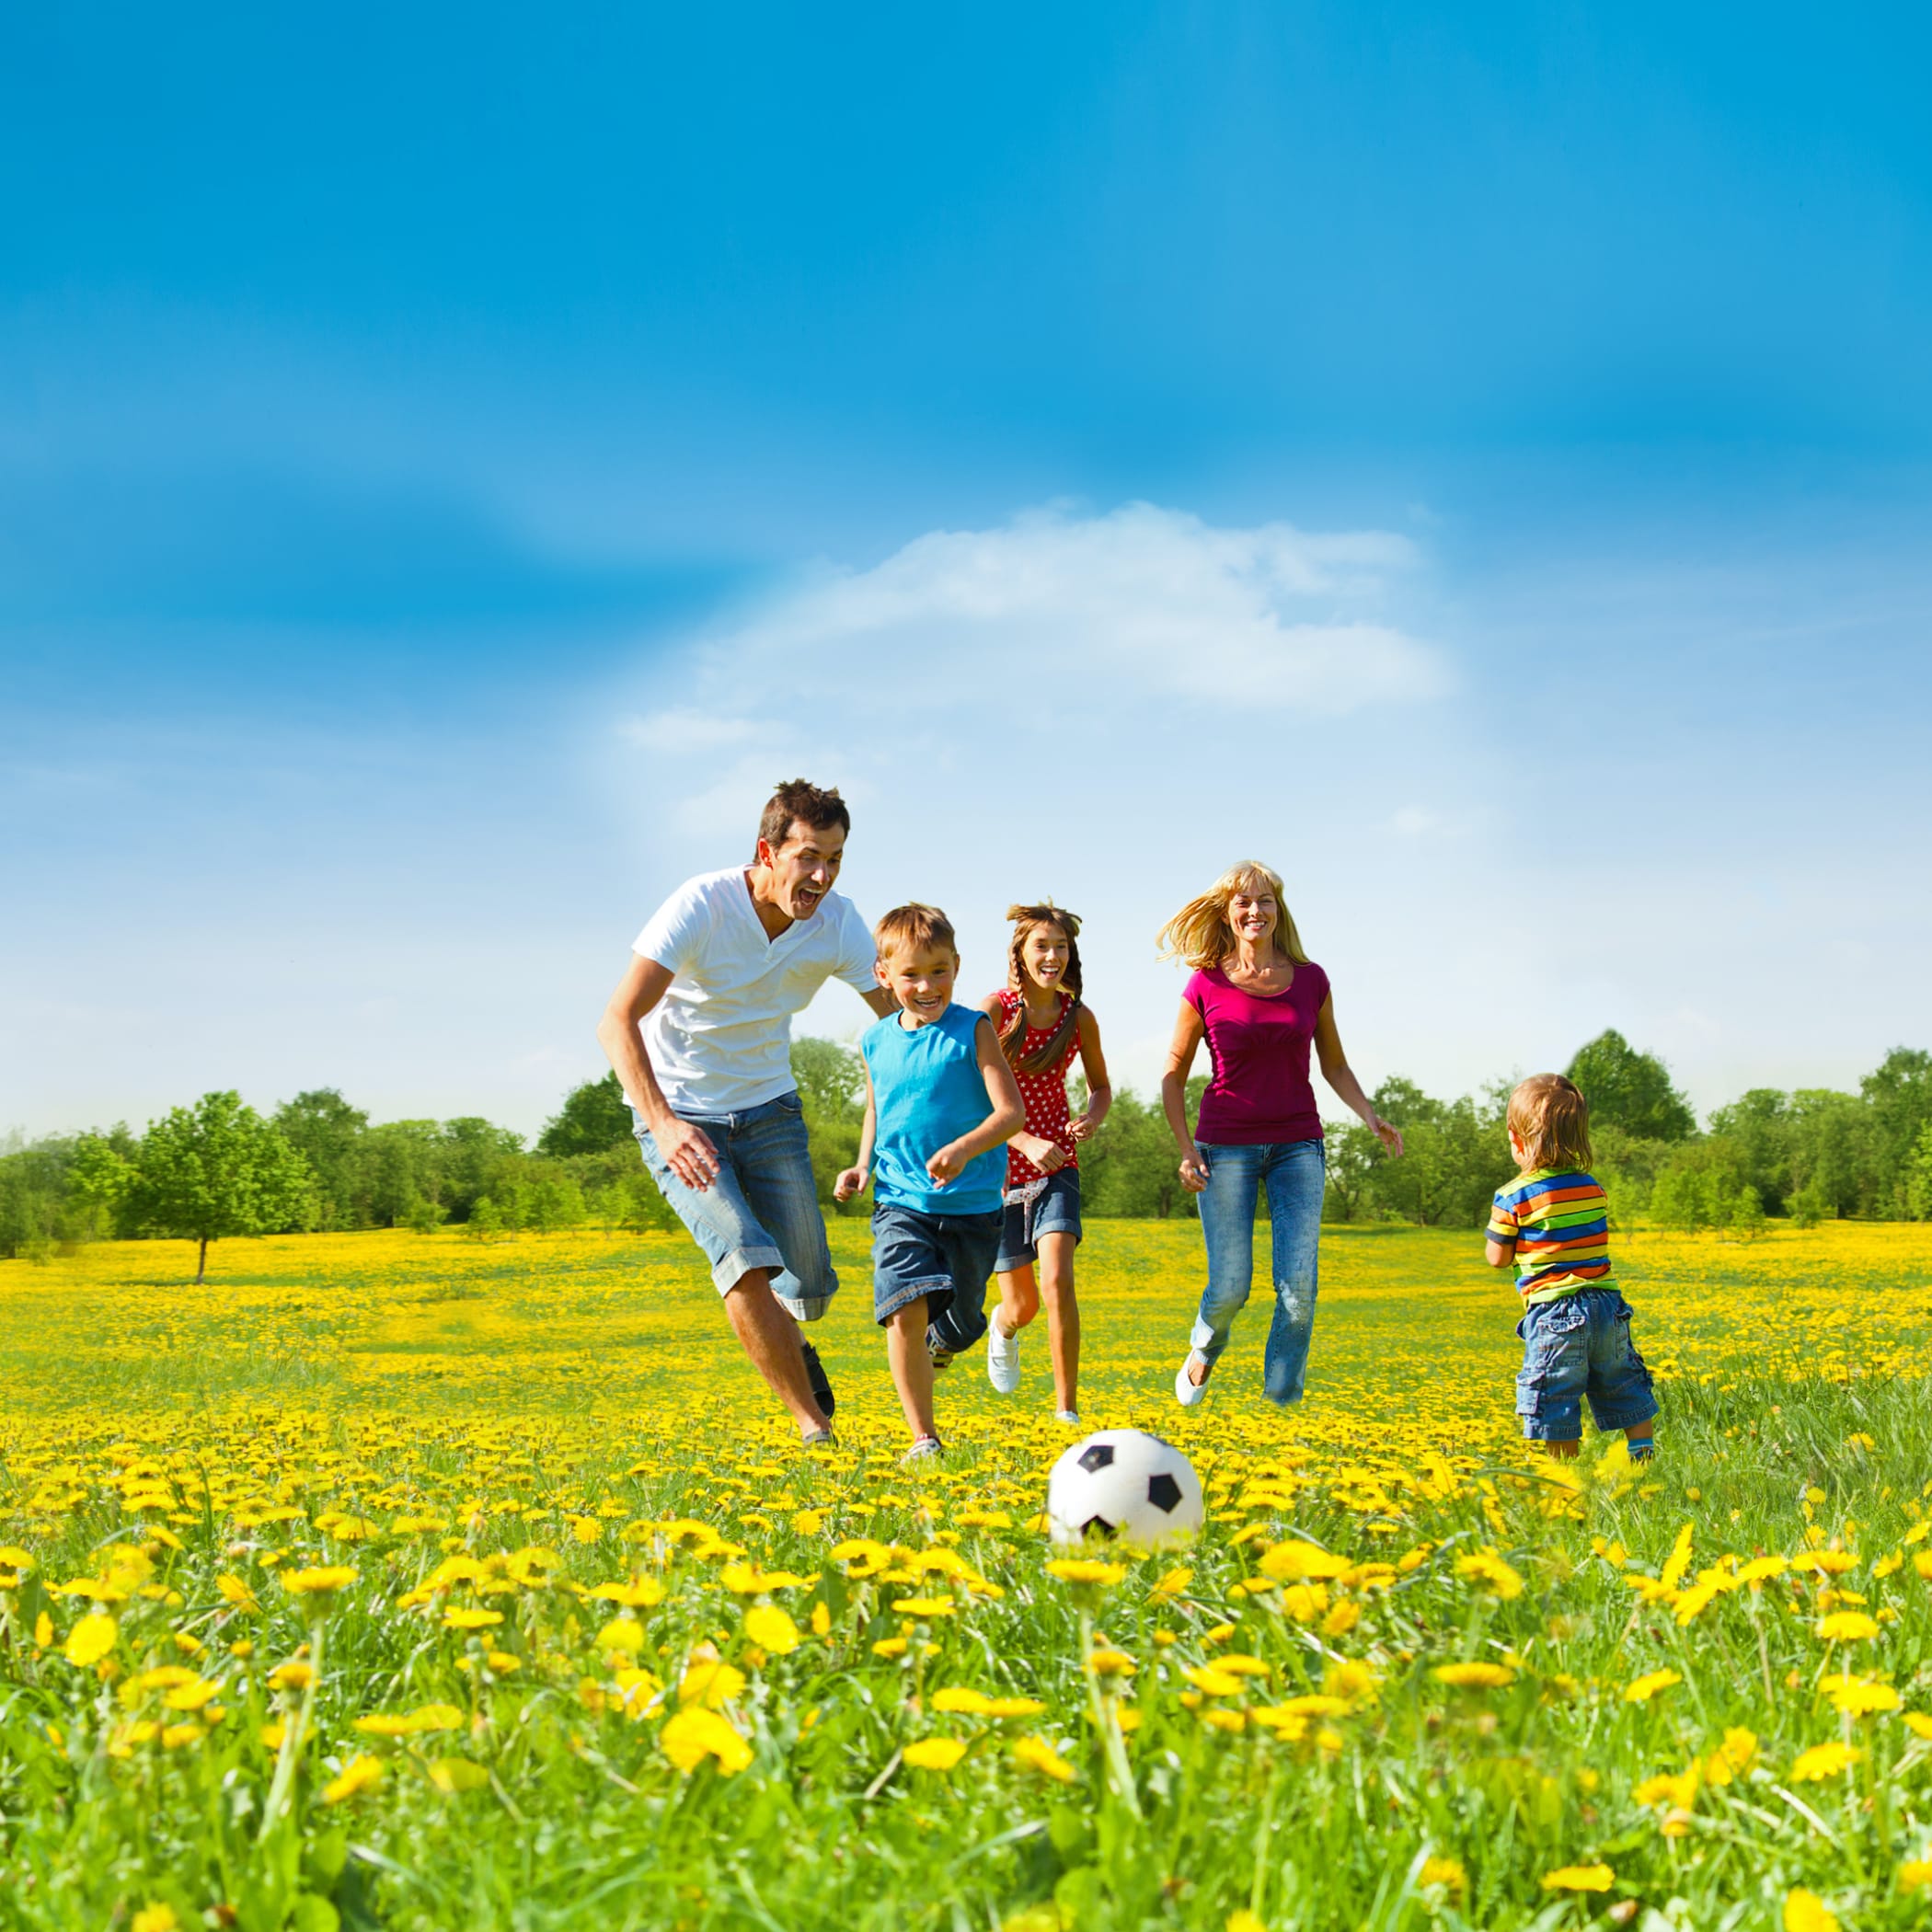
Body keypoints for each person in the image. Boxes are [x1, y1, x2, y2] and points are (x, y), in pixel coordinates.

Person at [596, 778, 895, 1446]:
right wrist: (666, 1124)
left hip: (770, 1112)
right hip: (680, 1116)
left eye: (836, 859)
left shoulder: (839, 923)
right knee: (742, 1254)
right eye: (809, 857)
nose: (822, 875)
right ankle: (813, 1428)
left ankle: (791, 1337)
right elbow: (616, 1021)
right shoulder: (702, 903)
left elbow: (902, 1024)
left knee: (810, 1284)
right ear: (768, 850)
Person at [1158, 860, 1403, 1408]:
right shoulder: (1206, 983)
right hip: (1224, 1147)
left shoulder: (1311, 979)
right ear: (1228, 912)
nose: (1255, 910)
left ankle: (1280, 1403)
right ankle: (1205, 1346)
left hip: (1298, 1145)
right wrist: (1185, 1151)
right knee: (1230, 1289)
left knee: (1299, 1289)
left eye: (1265, 900)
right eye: (1243, 902)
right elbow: (1172, 1073)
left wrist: (1369, 1114)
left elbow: (1334, 1065)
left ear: (1278, 909)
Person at [834, 904, 1025, 1462]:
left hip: (972, 1207)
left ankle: (948, 1342)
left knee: (961, 1323)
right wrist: (862, 1165)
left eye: (938, 970)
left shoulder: (973, 1029)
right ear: (883, 975)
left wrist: (965, 1149)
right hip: (900, 1201)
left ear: (957, 966)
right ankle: (924, 1439)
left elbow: (1009, 1113)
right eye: (911, 974)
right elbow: (878, 1108)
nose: (926, 985)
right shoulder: (875, 1040)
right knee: (904, 1307)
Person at [980, 903, 1112, 1424]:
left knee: (1058, 1278)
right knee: (1024, 1307)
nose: (1052, 956)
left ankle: (1066, 1410)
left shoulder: (1078, 1017)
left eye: (1061, 947)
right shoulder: (995, 1011)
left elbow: (1101, 1088)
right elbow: (974, 1096)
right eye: (1042, 945)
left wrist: (1091, 1117)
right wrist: (1024, 1140)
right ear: (1020, 953)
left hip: (1059, 1164)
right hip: (999, 1170)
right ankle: (1004, 1328)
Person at [1486, 1073, 1657, 1460]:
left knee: (1555, 1393)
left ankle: (1566, 1476)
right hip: (1607, 1304)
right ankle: (1642, 1454)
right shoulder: (1591, 1187)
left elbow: (1497, 1258)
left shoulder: (1513, 1195)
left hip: (1555, 1310)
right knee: (1622, 1379)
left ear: (1516, 1138)